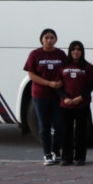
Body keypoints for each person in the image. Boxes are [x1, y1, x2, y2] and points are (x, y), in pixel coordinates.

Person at [25, 29, 67, 165]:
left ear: (55, 39)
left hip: (57, 95)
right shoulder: (35, 54)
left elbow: (65, 71)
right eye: (46, 37)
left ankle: (56, 151)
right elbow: (31, 74)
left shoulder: (60, 54)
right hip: (40, 95)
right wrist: (48, 83)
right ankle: (47, 154)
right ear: (42, 39)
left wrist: (61, 82)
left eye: (52, 37)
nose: (49, 40)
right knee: (44, 126)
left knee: (59, 125)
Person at [58, 41, 93, 166]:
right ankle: (66, 157)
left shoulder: (87, 66)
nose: (76, 52)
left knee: (81, 132)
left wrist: (81, 97)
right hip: (66, 105)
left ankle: (80, 157)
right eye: (73, 49)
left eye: (79, 49)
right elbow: (58, 85)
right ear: (70, 51)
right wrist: (64, 97)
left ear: (82, 51)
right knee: (66, 132)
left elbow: (91, 84)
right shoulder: (63, 66)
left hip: (82, 104)